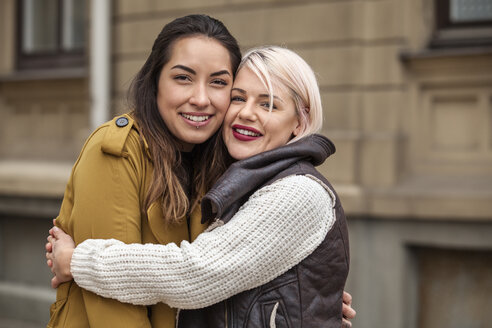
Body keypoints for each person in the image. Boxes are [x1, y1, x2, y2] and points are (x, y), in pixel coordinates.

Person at [47, 45, 356, 327]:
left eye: (269, 104)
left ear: (300, 123)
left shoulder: (297, 192)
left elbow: (195, 273)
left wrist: (76, 261)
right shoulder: (246, 183)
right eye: (238, 97)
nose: (246, 113)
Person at [46, 14, 241, 328]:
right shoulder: (115, 151)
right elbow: (114, 307)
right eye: (183, 78)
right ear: (155, 82)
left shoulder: (223, 162)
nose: (201, 99)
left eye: (218, 82)